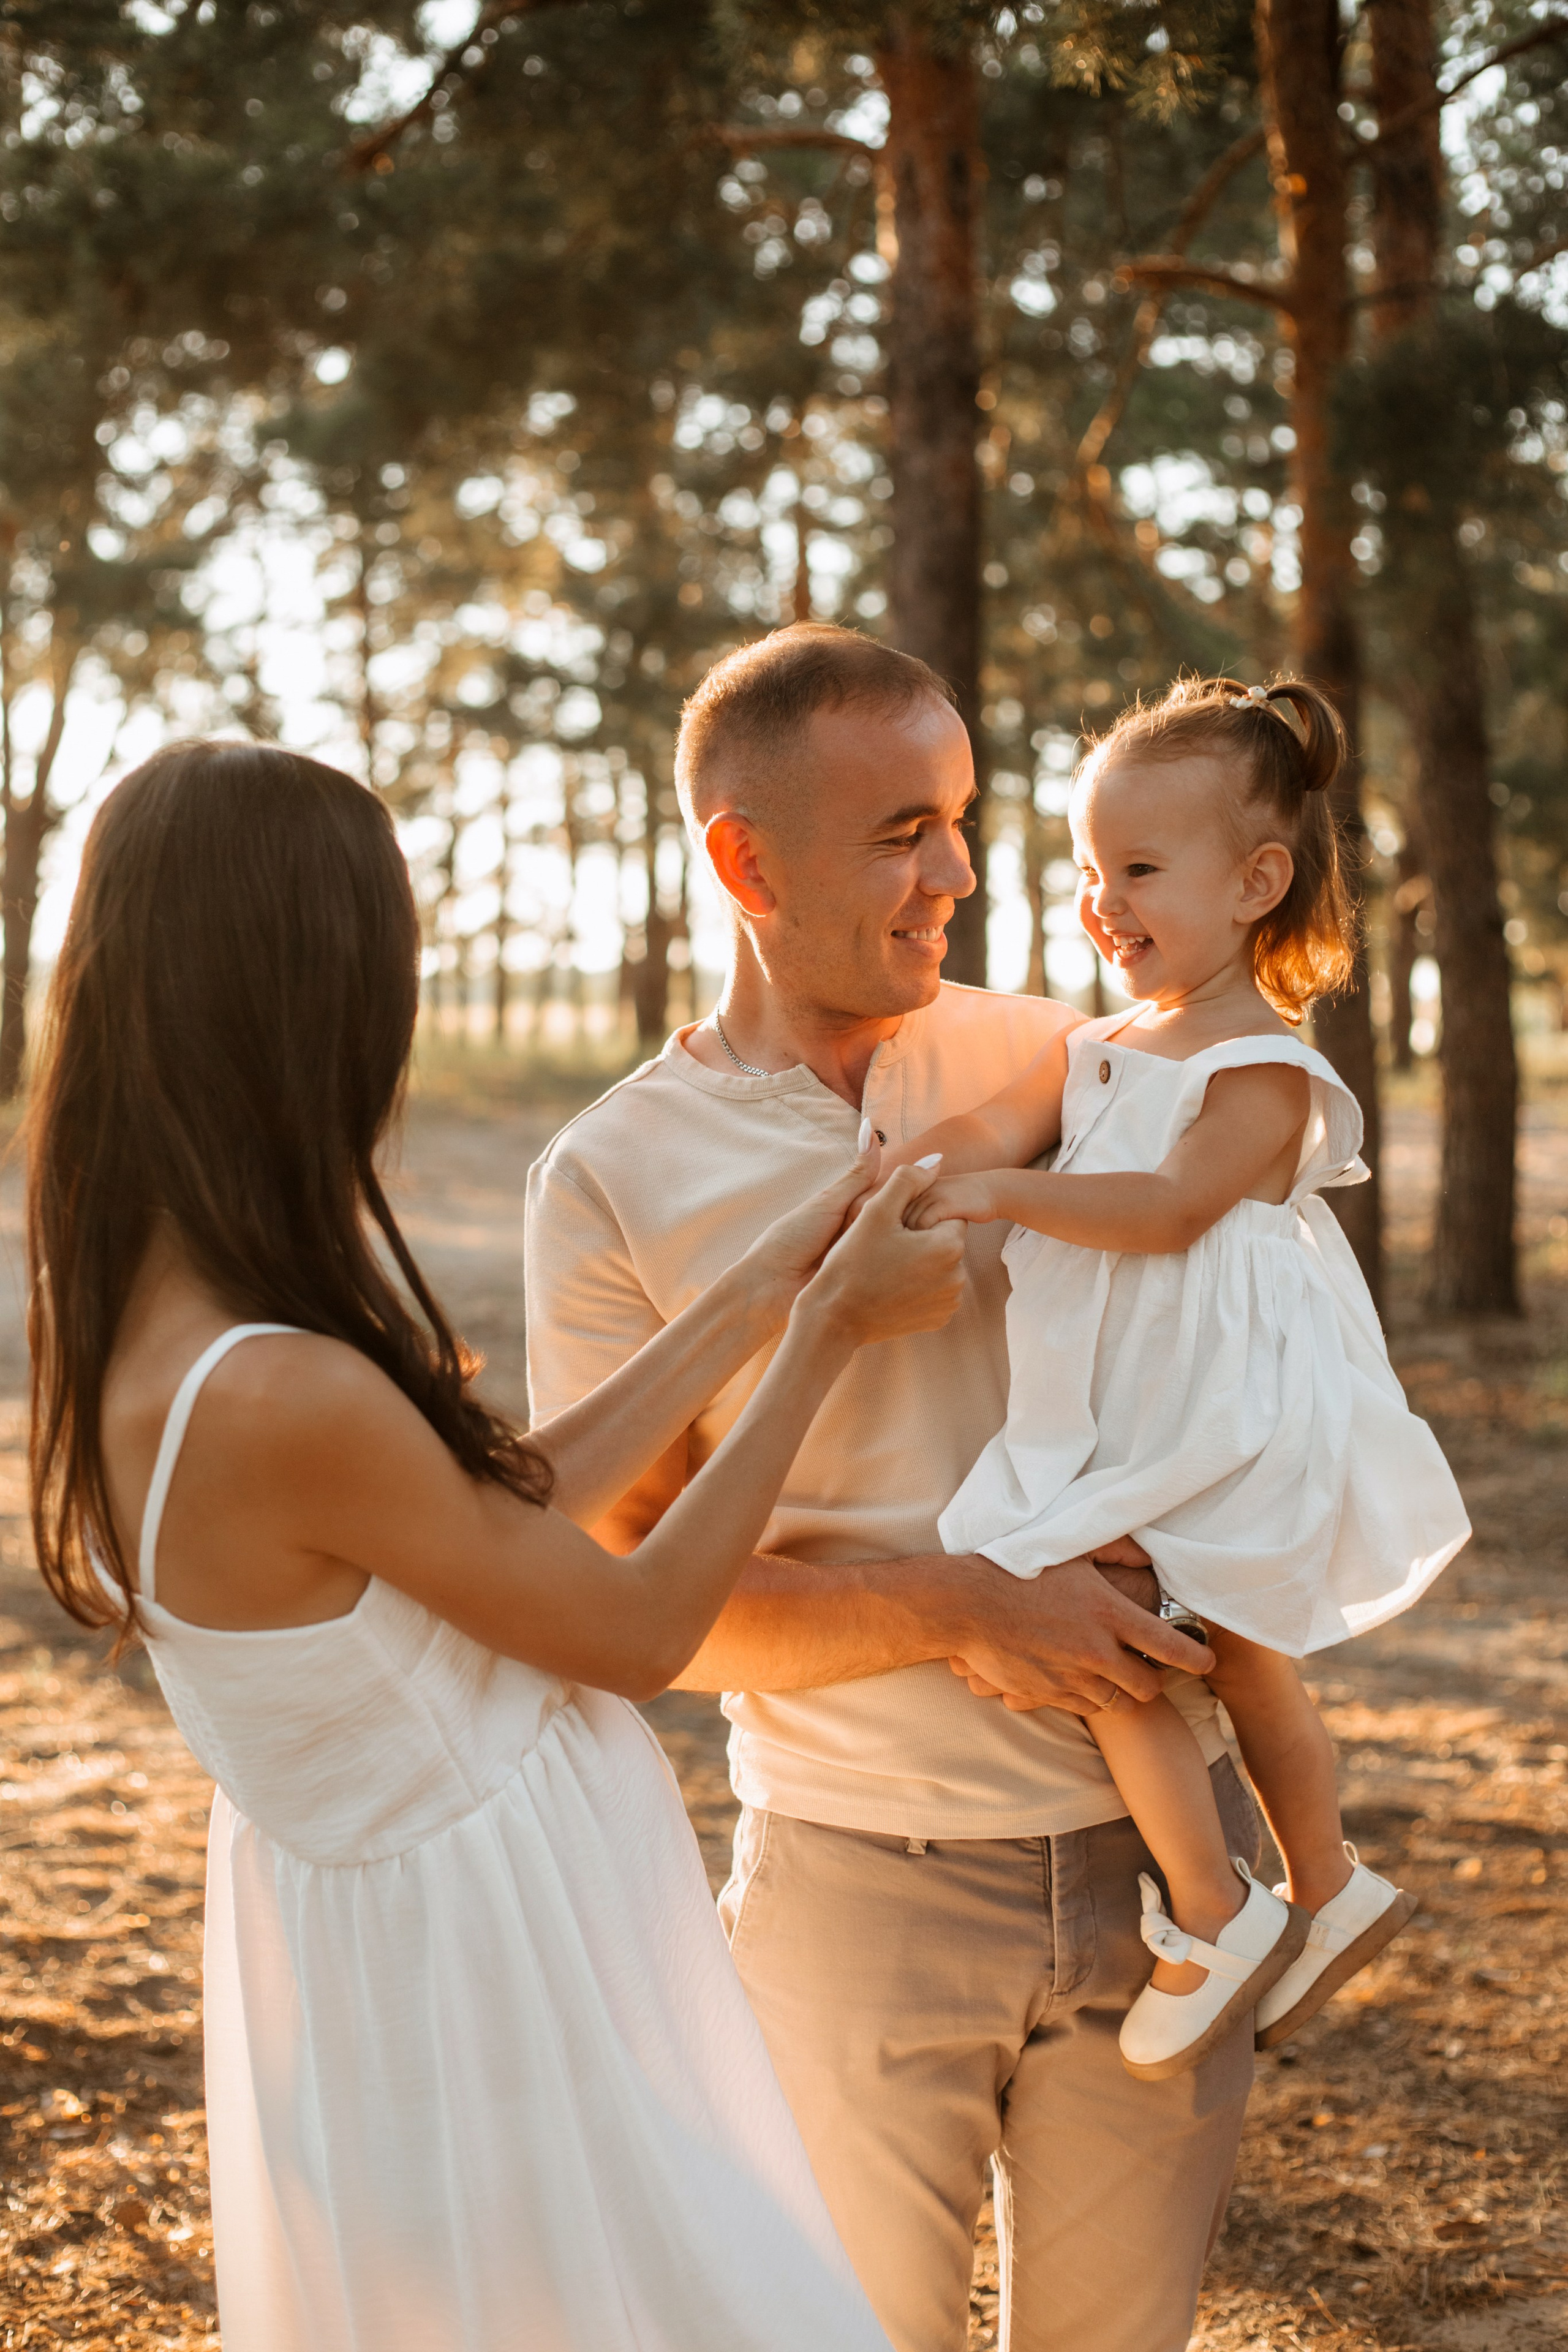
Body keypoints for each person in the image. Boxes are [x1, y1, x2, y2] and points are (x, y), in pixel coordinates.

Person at [29, 739, 971, 2352]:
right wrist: (825, 1337)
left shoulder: (165, 1309)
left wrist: (757, 1292)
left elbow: (486, 1516)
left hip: (429, 1967)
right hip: (493, 1991)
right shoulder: (280, 1388)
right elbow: (638, 1629)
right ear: (305, 1002)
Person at [524, 625, 1257, 2352]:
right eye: (902, 834)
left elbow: (1250, 1343)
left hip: (1167, 1874)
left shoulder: (1077, 1061)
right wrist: (957, 1609)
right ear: (744, 864)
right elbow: (634, 1610)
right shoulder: (608, 1178)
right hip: (860, 1892)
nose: (959, 876)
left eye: (961, 821)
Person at [894, 674, 1470, 2082]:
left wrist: (994, 1197)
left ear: (1255, 882)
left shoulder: (1262, 1068)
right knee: (1179, 1647)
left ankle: (1227, 1907)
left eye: (1139, 870)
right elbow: (992, 1125)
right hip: (1120, 1407)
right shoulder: (1097, 1046)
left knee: (1121, 1629)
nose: (1103, 900)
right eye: (1091, 870)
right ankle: (1322, 1889)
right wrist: (901, 1168)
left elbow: (1163, 1212)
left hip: (1219, 1411)